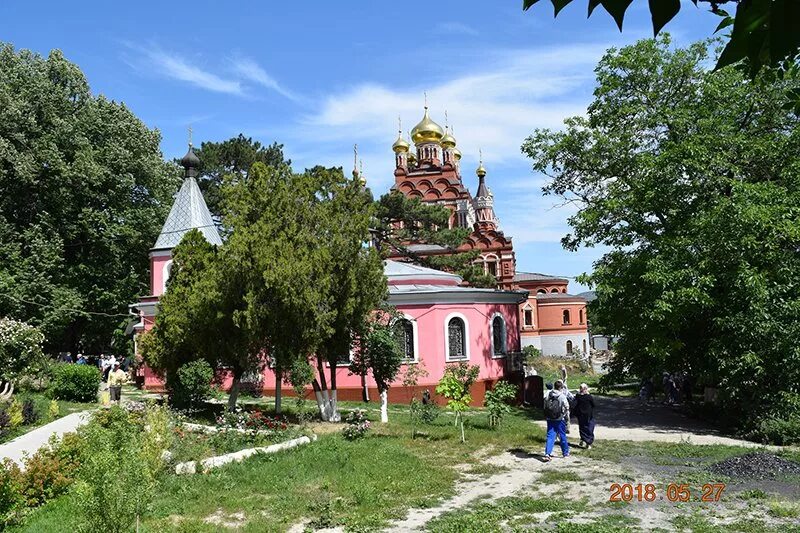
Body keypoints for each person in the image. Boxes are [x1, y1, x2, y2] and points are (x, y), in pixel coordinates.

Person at [542, 380, 570, 461]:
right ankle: (565, 453)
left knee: (550, 436)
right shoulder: (562, 396)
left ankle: (547, 454)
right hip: (560, 419)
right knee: (562, 435)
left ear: (554, 386)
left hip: (550, 418)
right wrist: (565, 416)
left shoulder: (548, 394)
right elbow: (567, 407)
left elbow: (545, 405)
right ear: (561, 387)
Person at [575, 383, 596, 449]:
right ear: (586, 389)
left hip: (580, 415)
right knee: (589, 428)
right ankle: (588, 442)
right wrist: (588, 394)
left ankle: (583, 439)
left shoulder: (578, 396)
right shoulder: (589, 397)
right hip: (588, 415)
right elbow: (594, 405)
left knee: (582, 428)